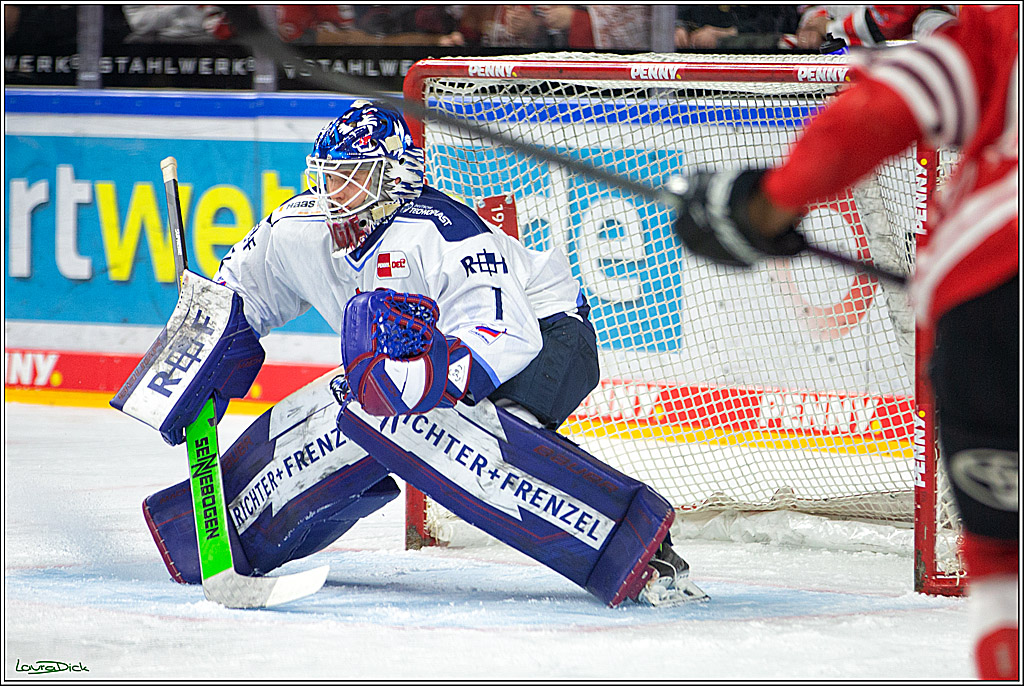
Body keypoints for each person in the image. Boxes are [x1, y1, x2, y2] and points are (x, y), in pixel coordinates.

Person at [132, 100, 706, 608]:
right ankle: (213, 531)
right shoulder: (298, 228)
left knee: (496, 434)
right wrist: (203, 350)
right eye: (328, 180)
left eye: (353, 181)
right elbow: (237, 294)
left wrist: (431, 376)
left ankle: (639, 544)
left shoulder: (440, 233)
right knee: (353, 414)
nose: (336, 198)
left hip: (551, 333)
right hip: (439, 356)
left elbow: (510, 333)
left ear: (395, 179)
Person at [669, 5, 1018, 679]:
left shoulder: (999, 30)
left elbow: (888, 106)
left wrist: (765, 205)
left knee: (1005, 574)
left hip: (994, 302)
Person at [794, 4, 958, 50]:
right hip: (845, 84)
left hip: (902, 88)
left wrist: (829, 28)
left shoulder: (935, 18)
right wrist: (814, 23)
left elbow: (887, 23)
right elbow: (814, 10)